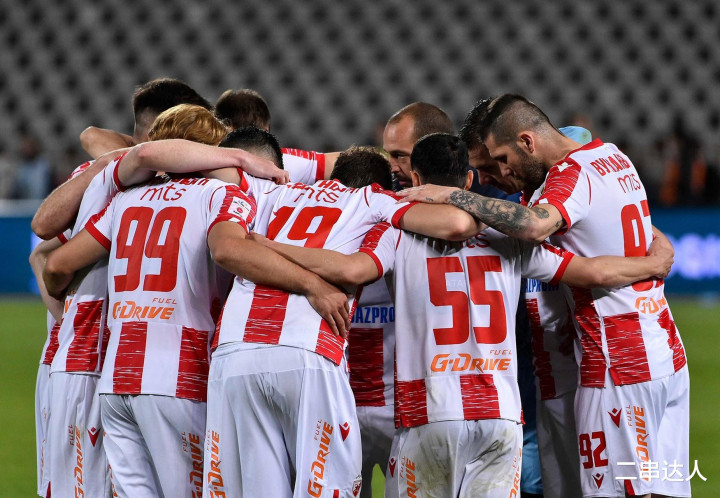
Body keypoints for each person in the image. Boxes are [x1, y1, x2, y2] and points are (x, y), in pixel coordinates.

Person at [250, 133, 672, 498]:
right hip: (501, 416)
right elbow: (592, 272)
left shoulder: (396, 232)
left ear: (416, 179)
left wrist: (266, 246)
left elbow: (350, 269)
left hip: (429, 413)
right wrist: (650, 265)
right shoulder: (508, 237)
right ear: (469, 180)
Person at [400, 95, 689, 498]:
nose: (496, 175)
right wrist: (657, 256)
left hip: (615, 361)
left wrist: (451, 196)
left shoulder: (567, 180)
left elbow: (536, 228)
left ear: (527, 142)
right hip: (658, 350)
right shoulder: (611, 156)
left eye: (499, 161)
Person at [382, 102, 454, 189]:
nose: (392, 169)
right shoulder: (387, 188)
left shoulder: (468, 187)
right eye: (388, 155)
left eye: (400, 155)